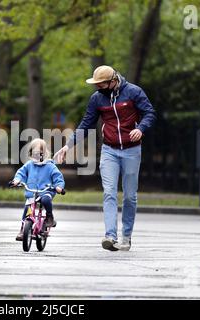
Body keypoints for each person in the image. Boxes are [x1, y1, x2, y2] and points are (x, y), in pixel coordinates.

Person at [54, 65, 156, 252]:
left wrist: (140, 129)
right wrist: (67, 146)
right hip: (109, 151)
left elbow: (150, 113)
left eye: (101, 84)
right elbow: (86, 124)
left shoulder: (133, 92)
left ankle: (126, 236)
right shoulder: (97, 98)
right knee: (109, 192)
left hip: (132, 150)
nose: (97, 87)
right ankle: (110, 235)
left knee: (130, 197)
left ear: (113, 81)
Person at [11, 138, 65, 241]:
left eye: (39, 153)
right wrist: (17, 180)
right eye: (34, 153)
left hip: (46, 191)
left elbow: (58, 178)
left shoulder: (50, 166)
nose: (37, 155)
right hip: (32, 192)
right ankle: (23, 229)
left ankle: (49, 217)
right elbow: (21, 173)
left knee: (45, 199)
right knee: (28, 208)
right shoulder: (29, 165)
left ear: (44, 153)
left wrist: (59, 187)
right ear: (31, 153)